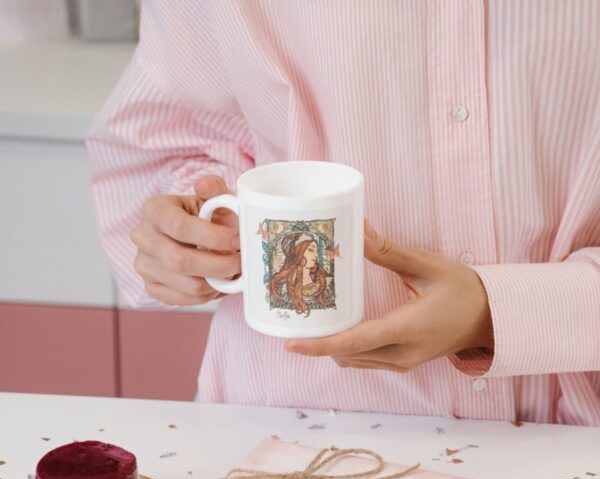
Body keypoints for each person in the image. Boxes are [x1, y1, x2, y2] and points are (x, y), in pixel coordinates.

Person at [87, 1, 600, 424]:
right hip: (287, 423)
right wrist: (190, 240)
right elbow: (166, 145)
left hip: (571, 434)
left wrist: (501, 311)